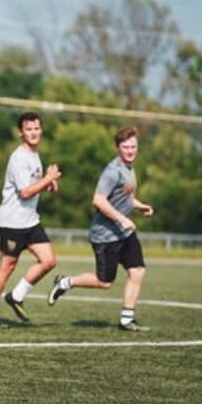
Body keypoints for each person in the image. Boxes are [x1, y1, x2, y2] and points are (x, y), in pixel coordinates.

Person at [48, 126, 154, 332]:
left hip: (125, 233)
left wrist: (139, 206)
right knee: (104, 282)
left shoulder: (129, 168)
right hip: (105, 236)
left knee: (138, 271)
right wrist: (122, 219)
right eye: (125, 147)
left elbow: (123, 197)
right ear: (117, 148)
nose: (130, 151)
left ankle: (126, 319)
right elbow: (98, 200)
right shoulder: (112, 171)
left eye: (133, 146)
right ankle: (65, 282)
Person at [0, 112, 61, 328]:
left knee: (49, 260)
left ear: (41, 130)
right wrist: (48, 179)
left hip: (30, 221)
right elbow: (25, 192)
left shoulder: (35, 155)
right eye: (28, 129)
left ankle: (16, 296)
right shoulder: (19, 157)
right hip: (12, 222)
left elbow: (35, 185)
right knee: (7, 266)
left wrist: (48, 184)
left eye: (36, 128)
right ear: (21, 133)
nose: (33, 132)